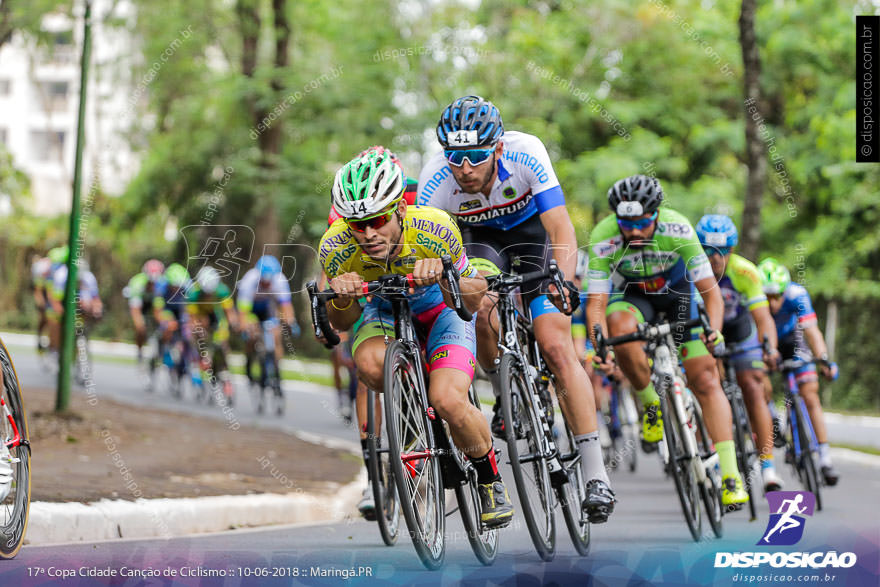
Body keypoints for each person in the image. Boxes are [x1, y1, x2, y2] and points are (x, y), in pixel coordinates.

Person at [417, 95, 615, 522]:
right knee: (483, 307)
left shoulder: (527, 151)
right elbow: (428, 243)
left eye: (475, 156)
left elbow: (559, 227)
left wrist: (562, 280)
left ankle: (597, 475)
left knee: (556, 344)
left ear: (499, 149)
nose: (465, 168)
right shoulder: (435, 179)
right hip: (478, 244)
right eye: (455, 157)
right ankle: (506, 392)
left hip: (532, 241)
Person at [319, 149, 514, 528]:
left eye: (377, 220)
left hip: (440, 311)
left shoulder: (436, 228)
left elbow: (472, 300)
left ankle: (489, 480)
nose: (369, 233)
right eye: (357, 225)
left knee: (448, 398)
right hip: (384, 312)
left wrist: (445, 276)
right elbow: (343, 321)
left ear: (400, 211)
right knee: (371, 368)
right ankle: (412, 417)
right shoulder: (335, 246)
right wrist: (341, 297)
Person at [587, 175, 749, 507]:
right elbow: (596, 304)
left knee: (704, 378)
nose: (633, 231)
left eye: (643, 222)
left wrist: (714, 330)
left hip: (679, 297)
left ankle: (731, 475)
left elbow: (710, 291)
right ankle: (650, 402)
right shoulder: (603, 236)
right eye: (625, 223)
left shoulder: (678, 229)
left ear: (657, 215)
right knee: (618, 326)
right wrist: (598, 344)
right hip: (635, 298)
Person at [696, 214, 783, 492]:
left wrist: (770, 347)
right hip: (707, 332)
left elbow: (763, 317)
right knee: (707, 387)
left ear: (732, 250)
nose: (715, 258)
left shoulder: (745, 271)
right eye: (708, 251)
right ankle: (714, 458)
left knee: (753, 387)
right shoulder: (691, 271)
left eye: (723, 252)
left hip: (740, 333)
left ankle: (768, 465)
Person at [758, 257, 840, 486]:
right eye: (767, 297)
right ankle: (772, 416)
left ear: (785, 291)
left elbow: (812, 331)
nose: (772, 303)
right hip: (766, 343)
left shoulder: (797, 295)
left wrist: (824, 360)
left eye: (776, 296)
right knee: (757, 380)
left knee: (810, 393)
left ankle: (825, 458)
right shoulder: (753, 299)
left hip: (794, 342)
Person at [237, 255, 298, 397]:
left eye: (269, 282)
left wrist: (291, 323)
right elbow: (243, 313)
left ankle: (276, 369)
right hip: (251, 308)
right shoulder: (249, 280)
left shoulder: (280, 280)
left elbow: (286, 306)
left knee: (276, 335)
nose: (266, 285)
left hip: (267, 308)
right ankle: (249, 360)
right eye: (264, 282)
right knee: (252, 334)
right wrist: (245, 327)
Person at [186, 265, 240, 404]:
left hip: (217, 317)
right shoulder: (193, 292)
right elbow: (192, 318)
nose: (209, 296)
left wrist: (234, 323)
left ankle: (225, 374)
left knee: (222, 345)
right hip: (201, 317)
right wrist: (198, 329)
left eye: (211, 293)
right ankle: (200, 364)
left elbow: (229, 313)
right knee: (199, 337)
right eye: (206, 293)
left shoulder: (222, 291)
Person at [124, 259, 166, 366]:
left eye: (154, 282)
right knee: (140, 328)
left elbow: (159, 306)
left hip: (153, 304)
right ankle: (140, 349)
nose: (152, 285)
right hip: (139, 305)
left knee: (163, 324)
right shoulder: (137, 282)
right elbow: (135, 309)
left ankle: (160, 351)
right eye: (150, 282)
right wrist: (140, 324)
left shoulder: (161, 284)